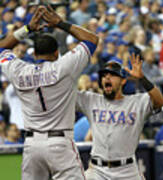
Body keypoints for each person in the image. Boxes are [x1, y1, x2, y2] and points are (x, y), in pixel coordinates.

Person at [0, 5, 98, 180]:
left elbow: (1, 48)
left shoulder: (19, 70)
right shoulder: (64, 66)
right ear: (56, 52)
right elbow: (91, 39)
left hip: (31, 144)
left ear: (35, 53)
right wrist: (60, 23)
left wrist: (27, 29)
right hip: (59, 142)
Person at [76, 55, 163, 180]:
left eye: (112, 75)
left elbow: (159, 101)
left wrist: (143, 79)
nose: (107, 77)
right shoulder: (91, 100)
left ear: (123, 80)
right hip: (97, 170)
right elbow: (65, 94)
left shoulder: (136, 102)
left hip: (127, 170)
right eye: (104, 75)